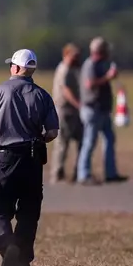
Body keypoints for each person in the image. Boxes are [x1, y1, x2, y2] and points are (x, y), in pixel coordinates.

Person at [0, 49, 59, 266]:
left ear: (14, 68)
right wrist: (39, 139)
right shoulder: (42, 95)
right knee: (28, 214)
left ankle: (6, 245)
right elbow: (53, 131)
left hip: (3, 159)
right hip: (32, 160)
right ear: (32, 70)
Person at [76, 37, 128, 185]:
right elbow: (89, 84)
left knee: (109, 139)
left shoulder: (101, 64)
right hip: (92, 109)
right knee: (89, 142)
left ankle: (110, 173)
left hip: (102, 109)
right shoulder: (90, 65)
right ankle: (83, 174)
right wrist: (107, 77)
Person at [50, 43, 82, 184]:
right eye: (73, 56)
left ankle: (77, 172)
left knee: (78, 141)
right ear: (66, 55)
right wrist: (78, 103)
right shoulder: (63, 69)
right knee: (62, 142)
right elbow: (65, 89)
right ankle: (57, 174)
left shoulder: (73, 69)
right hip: (64, 110)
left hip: (72, 111)